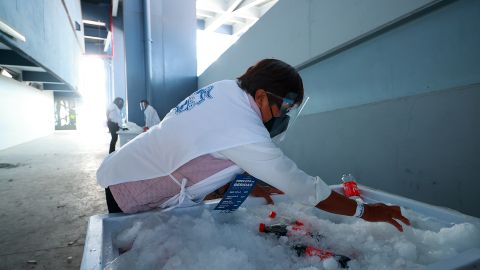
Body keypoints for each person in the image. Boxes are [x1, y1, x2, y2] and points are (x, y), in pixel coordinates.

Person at [97, 59, 410, 231]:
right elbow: (302, 187)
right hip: (132, 189)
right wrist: (365, 212)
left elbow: (208, 152)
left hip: (128, 172)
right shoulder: (243, 124)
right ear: (261, 95)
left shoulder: (226, 91)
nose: (283, 115)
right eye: (283, 107)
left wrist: (245, 183)